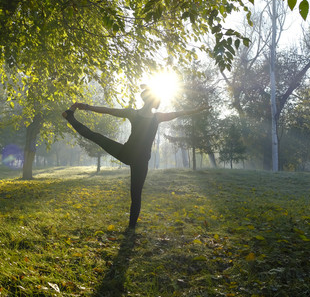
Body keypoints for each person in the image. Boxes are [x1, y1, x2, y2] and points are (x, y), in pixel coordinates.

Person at [62, 85, 209, 229]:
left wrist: (196, 110)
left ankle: (132, 227)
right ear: (149, 100)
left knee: (136, 193)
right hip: (131, 154)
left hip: (134, 156)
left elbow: (178, 113)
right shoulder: (139, 114)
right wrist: (87, 106)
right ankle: (70, 117)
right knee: (97, 137)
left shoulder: (154, 117)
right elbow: (109, 111)